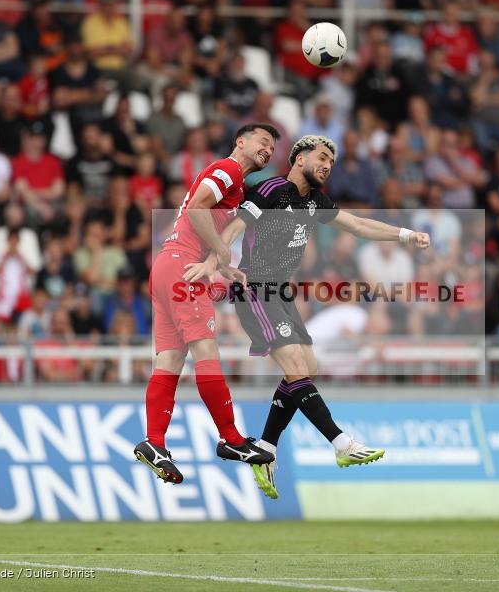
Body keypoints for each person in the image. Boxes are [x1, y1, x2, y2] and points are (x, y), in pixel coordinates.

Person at [182, 135, 431, 499]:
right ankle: (341, 443)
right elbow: (236, 227)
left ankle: (266, 447)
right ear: (299, 159)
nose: (328, 164)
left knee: (307, 368)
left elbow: (359, 226)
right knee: (297, 368)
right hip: (255, 288)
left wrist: (406, 235)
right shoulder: (271, 189)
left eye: (332, 161)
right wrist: (213, 259)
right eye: (322, 156)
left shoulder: (315, 201)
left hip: (281, 294)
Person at [133, 123, 280, 484]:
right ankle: (231, 438)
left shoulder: (234, 181)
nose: (268, 149)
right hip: (185, 269)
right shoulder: (227, 168)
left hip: (168, 266)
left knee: (169, 360)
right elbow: (198, 207)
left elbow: (199, 217)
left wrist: (225, 266)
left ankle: (154, 442)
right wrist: (220, 250)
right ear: (240, 142)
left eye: (272, 146)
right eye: (262, 141)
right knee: (206, 352)